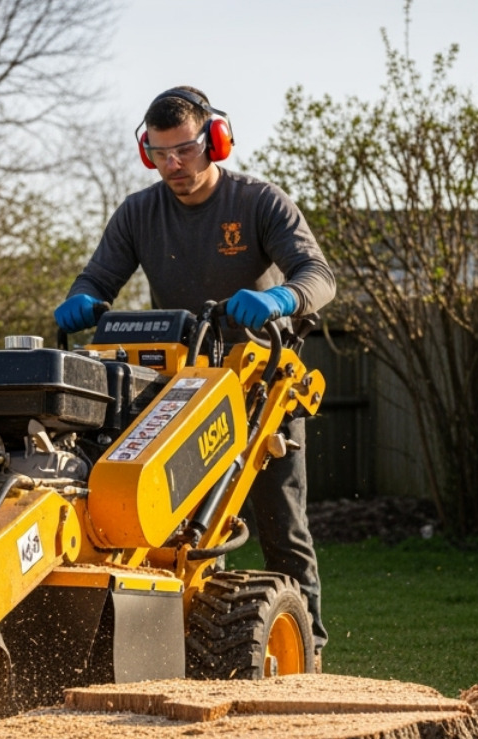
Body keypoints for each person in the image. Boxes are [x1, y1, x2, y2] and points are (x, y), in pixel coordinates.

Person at [55, 85, 335, 668]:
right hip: (176, 391)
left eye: (184, 150)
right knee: (179, 528)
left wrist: (282, 297)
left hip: (259, 388)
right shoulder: (139, 212)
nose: (173, 165)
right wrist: (82, 300)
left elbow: (319, 275)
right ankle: (202, 651)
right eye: (159, 154)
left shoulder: (258, 202)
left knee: (281, 525)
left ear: (215, 140)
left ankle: (306, 653)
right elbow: (97, 279)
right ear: (146, 153)